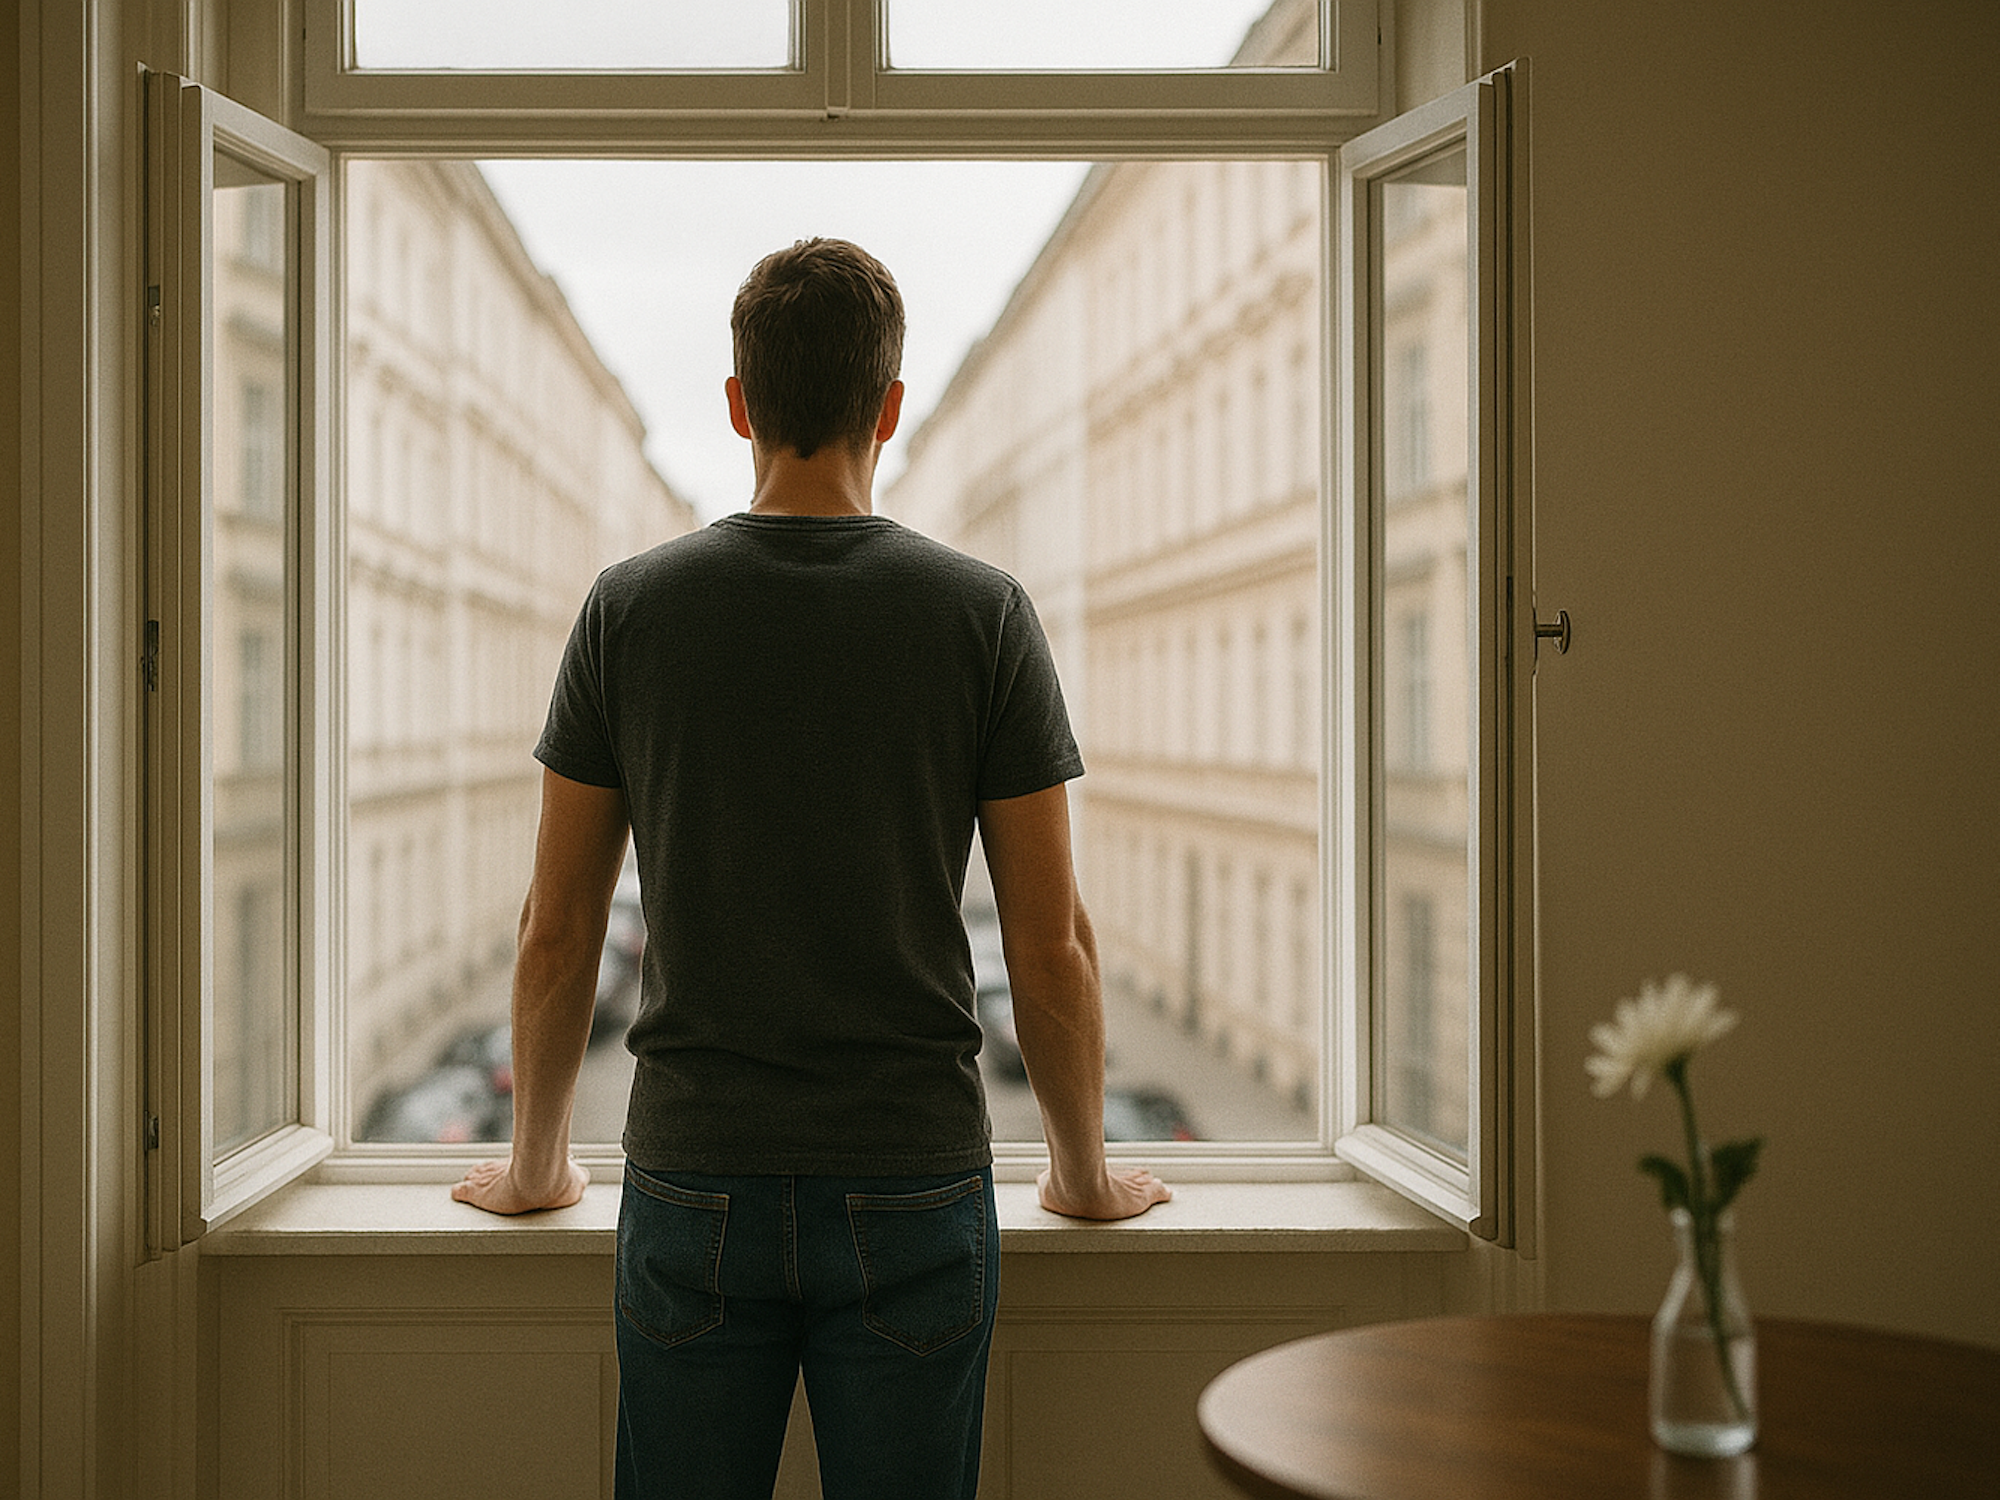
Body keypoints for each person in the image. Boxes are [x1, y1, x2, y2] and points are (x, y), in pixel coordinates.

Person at [452, 237, 1170, 1499]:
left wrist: (532, 1168)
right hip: (912, 1181)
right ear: (888, 406)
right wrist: (1081, 1173)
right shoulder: (980, 614)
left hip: (692, 1181)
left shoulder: (630, 609)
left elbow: (556, 932)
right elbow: (1051, 943)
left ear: (737, 404)